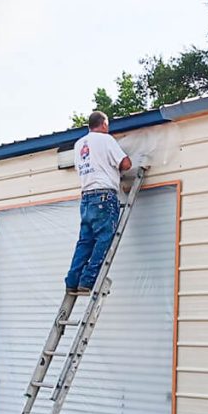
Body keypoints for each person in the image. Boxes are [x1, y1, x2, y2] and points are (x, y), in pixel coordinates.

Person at [65, 110, 132, 294]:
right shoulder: (106, 139)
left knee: (85, 241)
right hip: (104, 196)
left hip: (86, 197)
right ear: (103, 124)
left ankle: (72, 280)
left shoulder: (79, 145)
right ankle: (88, 280)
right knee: (104, 238)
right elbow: (125, 164)